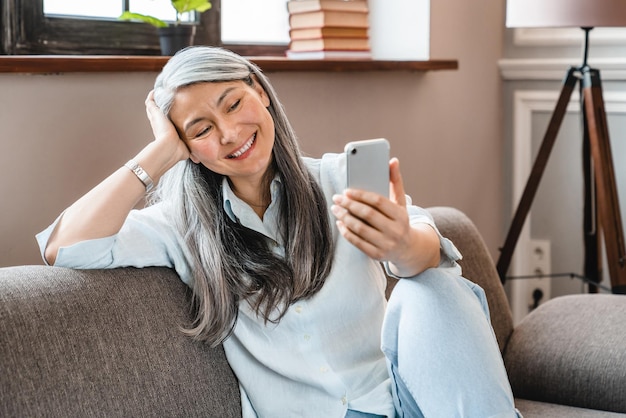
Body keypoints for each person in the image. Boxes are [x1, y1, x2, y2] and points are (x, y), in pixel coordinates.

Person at [37, 46, 520, 418]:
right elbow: (65, 247)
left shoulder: (337, 180)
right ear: (186, 147)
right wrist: (159, 152)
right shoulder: (182, 228)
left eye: (233, 104)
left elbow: (429, 249)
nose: (228, 134)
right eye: (200, 129)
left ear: (260, 92)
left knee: (432, 285)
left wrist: (401, 246)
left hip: (400, 400)